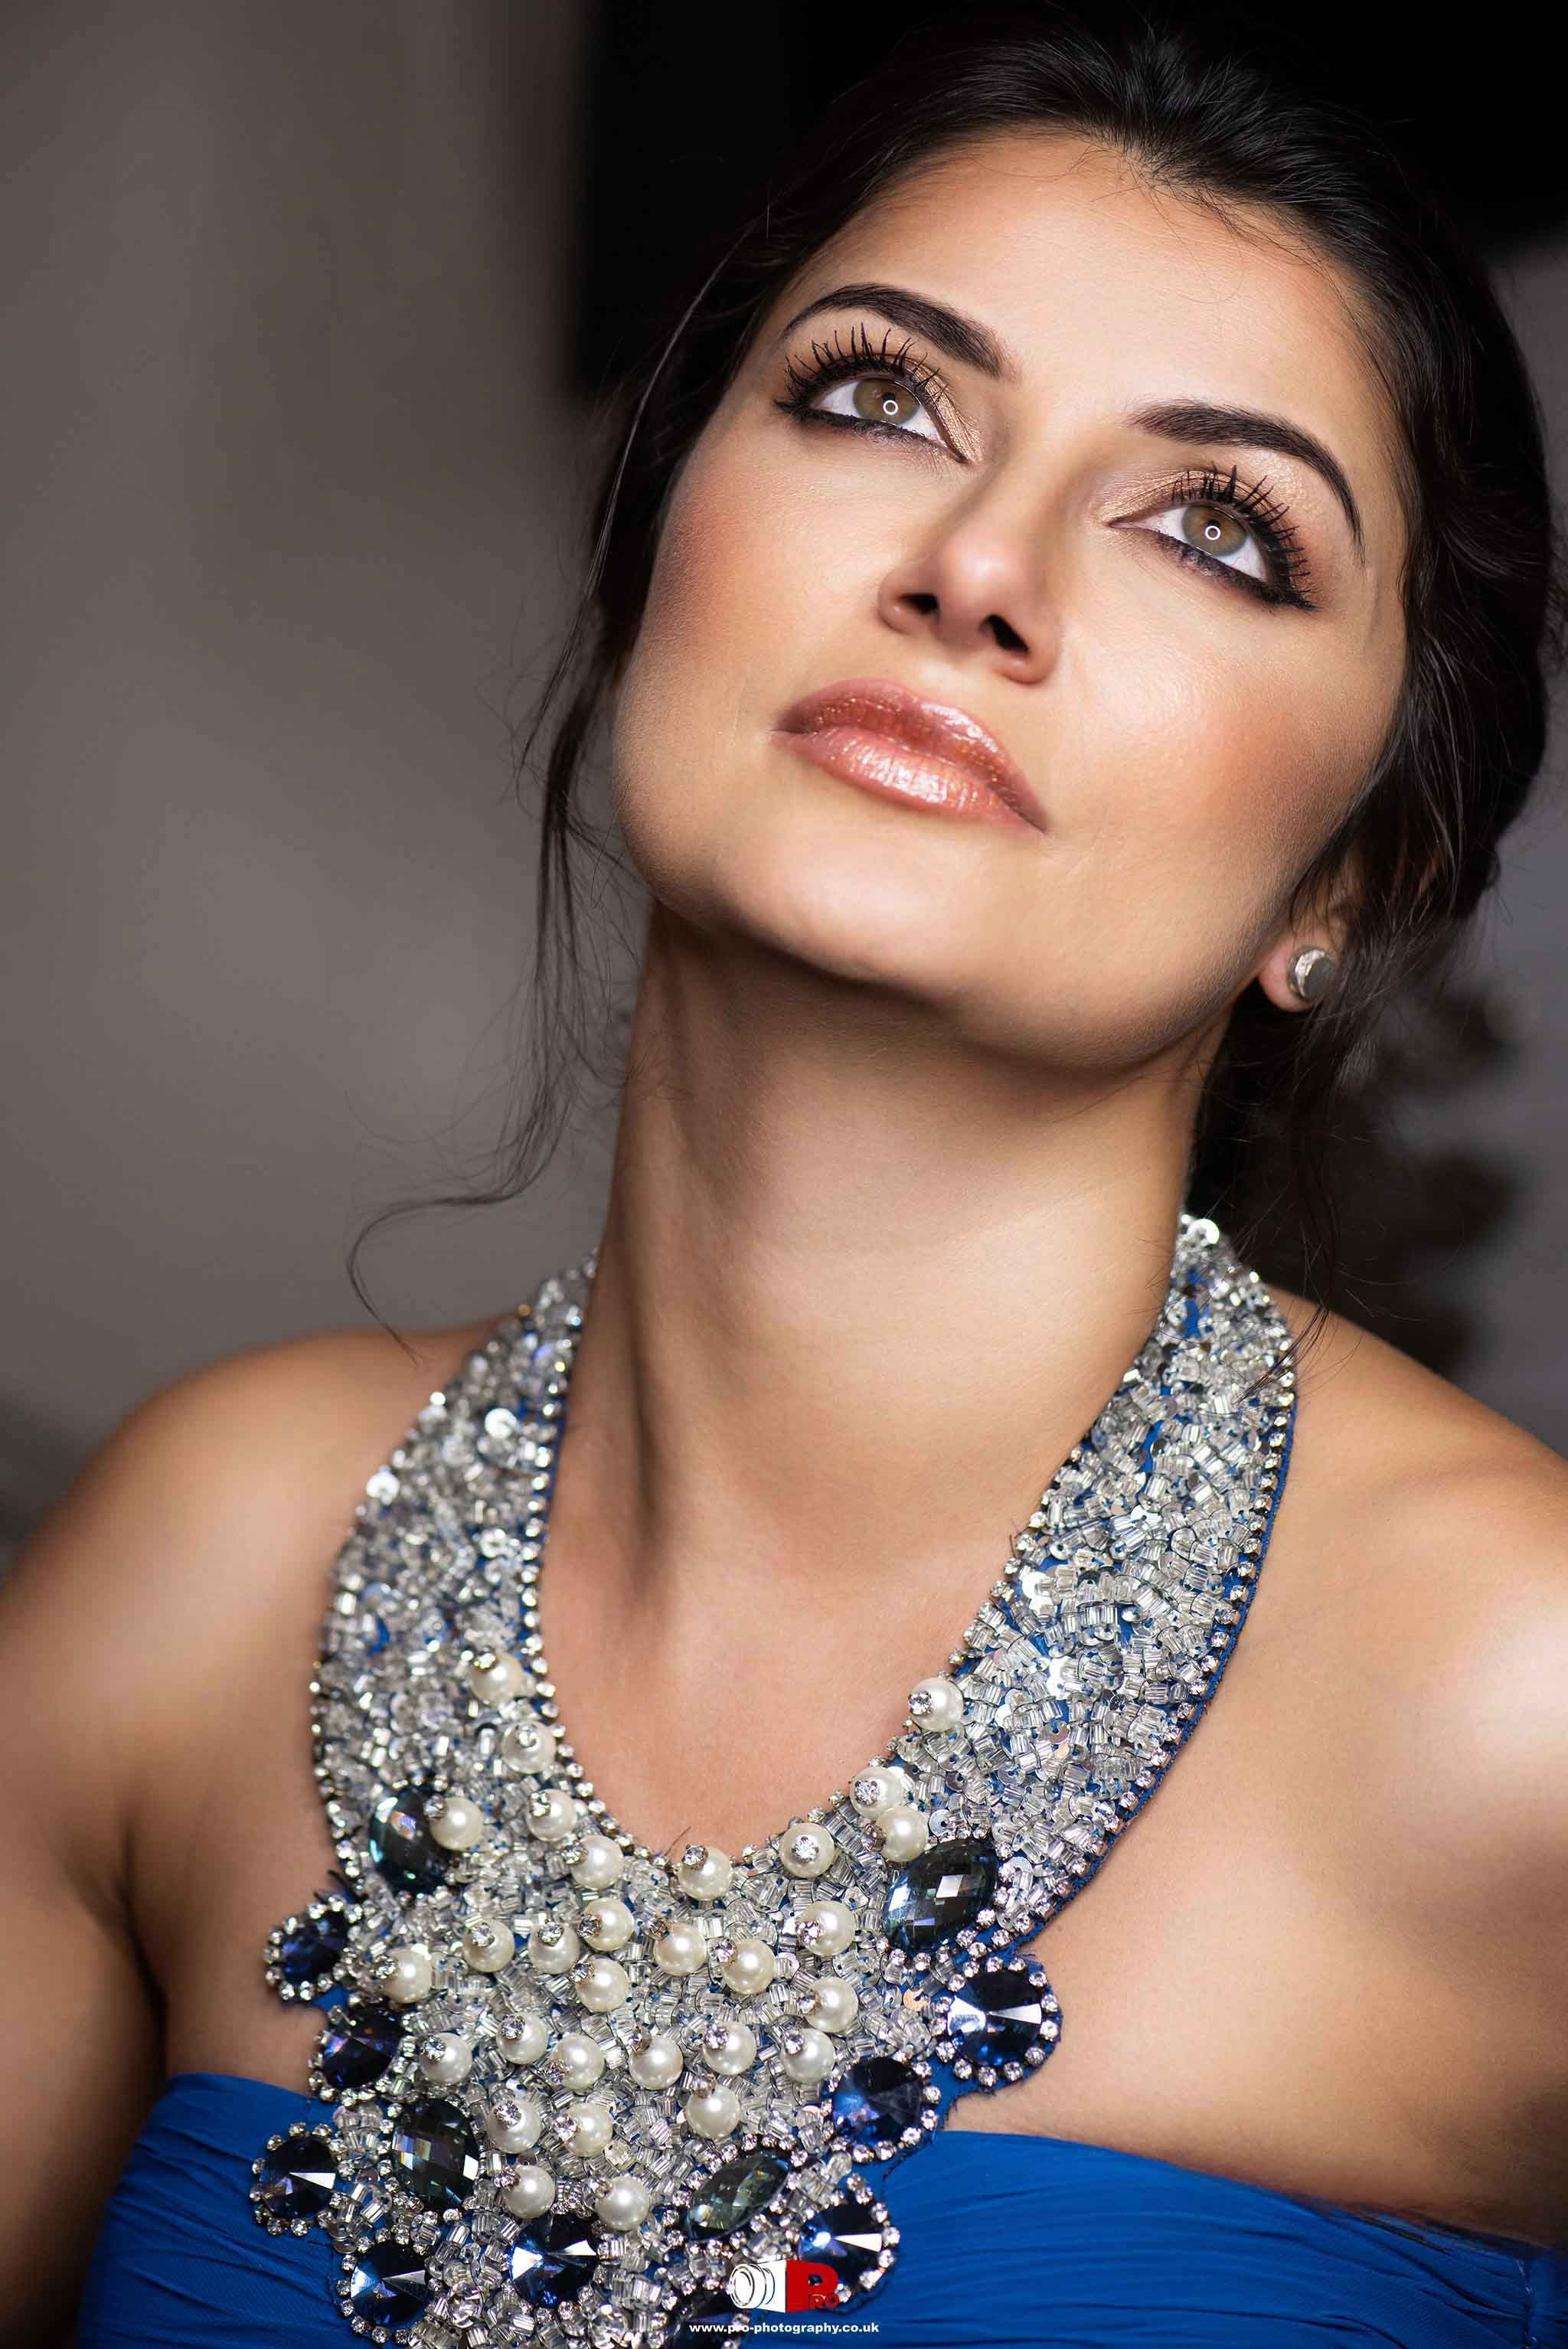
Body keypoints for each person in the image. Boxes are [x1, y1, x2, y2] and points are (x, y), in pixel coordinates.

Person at [4, 11, 1565, 2347]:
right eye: (875, 396)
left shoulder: (1518, 1702)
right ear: (660, 550)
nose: (981, 563)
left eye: (1222, 529)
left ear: (1349, 875)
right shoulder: (202, 1564)